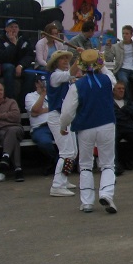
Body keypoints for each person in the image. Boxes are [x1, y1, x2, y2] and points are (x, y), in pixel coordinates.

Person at [59, 49, 118, 214]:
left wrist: (63, 127)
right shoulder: (107, 80)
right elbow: (112, 77)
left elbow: (67, 112)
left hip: (85, 127)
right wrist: (99, 61)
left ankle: (87, 202)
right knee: (107, 163)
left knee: (85, 164)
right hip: (106, 124)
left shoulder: (76, 86)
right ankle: (106, 193)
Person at [45, 50, 79, 197]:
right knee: (67, 152)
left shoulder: (61, 76)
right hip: (57, 117)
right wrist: (82, 57)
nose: (65, 60)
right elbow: (70, 73)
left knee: (73, 152)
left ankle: (63, 180)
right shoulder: (55, 75)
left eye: (67, 58)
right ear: (55, 62)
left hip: (65, 117)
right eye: (62, 59)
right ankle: (57, 185)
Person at [104, 25, 133, 106]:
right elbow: (108, 59)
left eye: (127, 33)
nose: (124, 35)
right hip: (122, 68)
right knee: (124, 81)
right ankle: (128, 102)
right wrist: (108, 48)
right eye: (123, 33)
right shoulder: (116, 46)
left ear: (131, 35)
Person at [0, 18, 36, 105]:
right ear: (6, 29)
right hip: (4, 66)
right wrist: (12, 44)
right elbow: (1, 57)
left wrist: (21, 65)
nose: (14, 29)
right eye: (11, 27)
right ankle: (10, 100)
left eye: (16, 27)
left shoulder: (24, 39)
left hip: (20, 66)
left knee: (31, 73)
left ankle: (23, 101)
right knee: (10, 68)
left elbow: (29, 55)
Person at [24, 74, 58, 174]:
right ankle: (57, 162)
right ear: (36, 84)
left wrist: (40, 111)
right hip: (40, 127)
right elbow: (34, 110)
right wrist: (43, 94)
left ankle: (55, 164)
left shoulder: (53, 95)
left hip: (55, 124)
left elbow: (58, 108)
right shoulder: (30, 96)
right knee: (45, 143)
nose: (44, 84)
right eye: (41, 82)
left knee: (71, 139)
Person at [112, 81, 133, 173]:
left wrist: (123, 110)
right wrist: (124, 112)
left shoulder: (128, 102)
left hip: (129, 127)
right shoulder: (109, 102)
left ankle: (126, 158)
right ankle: (116, 165)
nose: (121, 90)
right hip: (115, 128)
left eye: (123, 89)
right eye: (119, 89)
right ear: (113, 90)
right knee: (111, 142)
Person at [0, 82, 25, 182]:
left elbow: (16, 117)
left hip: (16, 128)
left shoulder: (11, 102)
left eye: (1, 90)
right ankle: (18, 169)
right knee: (13, 140)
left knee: (12, 131)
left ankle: (6, 157)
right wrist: (8, 116)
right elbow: (11, 115)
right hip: (0, 132)